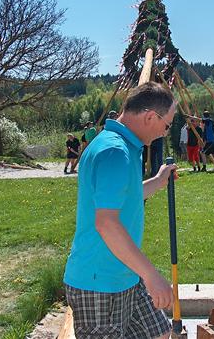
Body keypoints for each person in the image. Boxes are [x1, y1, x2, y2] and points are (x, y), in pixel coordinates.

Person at [64, 82, 177, 339]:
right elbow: (106, 223)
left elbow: (125, 197)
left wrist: (158, 181)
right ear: (150, 117)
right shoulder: (115, 152)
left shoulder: (121, 145)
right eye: (167, 125)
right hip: (99, 283)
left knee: (160, 333)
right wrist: (151, 275)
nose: (165, 133)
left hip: (125, 273)